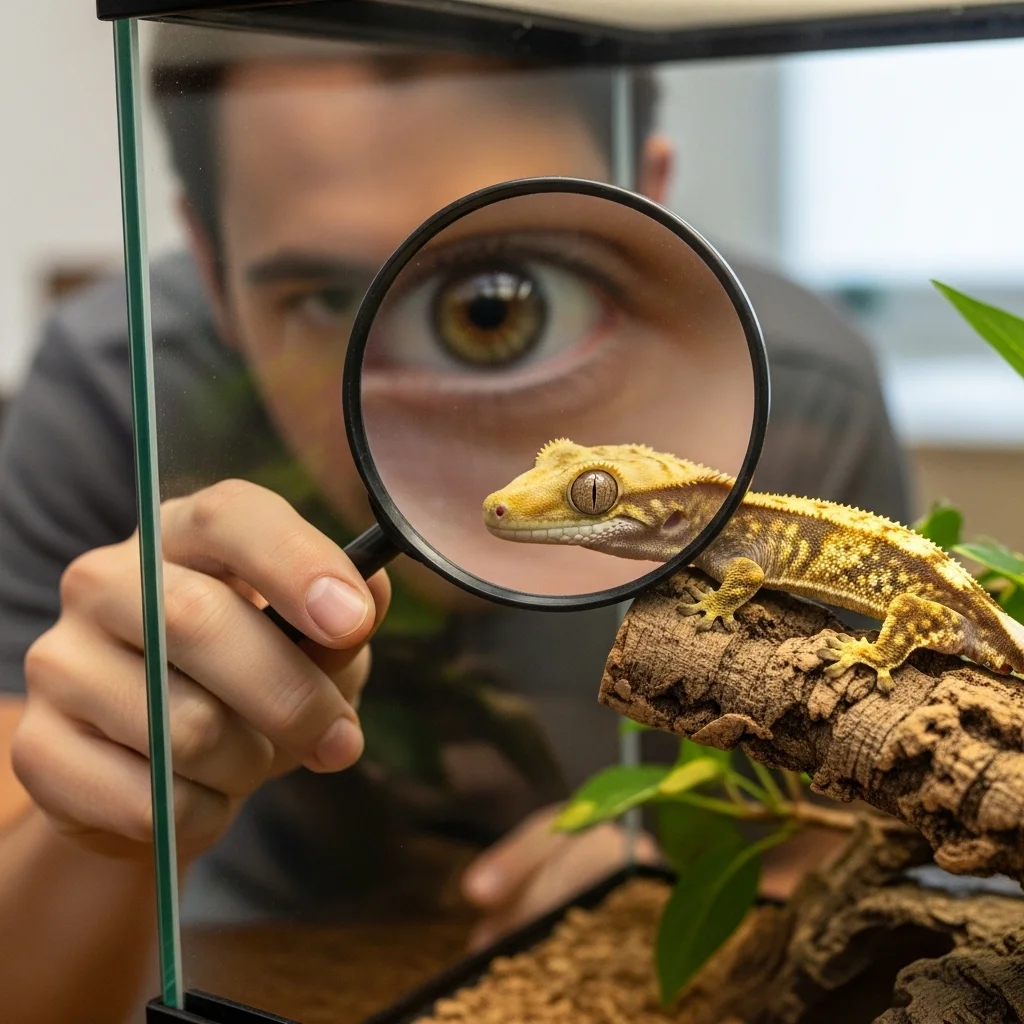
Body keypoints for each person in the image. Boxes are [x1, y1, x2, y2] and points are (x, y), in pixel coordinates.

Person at [0, 25, 909, 1024]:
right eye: (327, 297)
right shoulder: (113, 393)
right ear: (211, 267)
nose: (425, 432)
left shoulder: (800, 401)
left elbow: (867, 844)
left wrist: (677, 876)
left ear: (646, 199)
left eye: (495, 304)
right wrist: (106, 826)